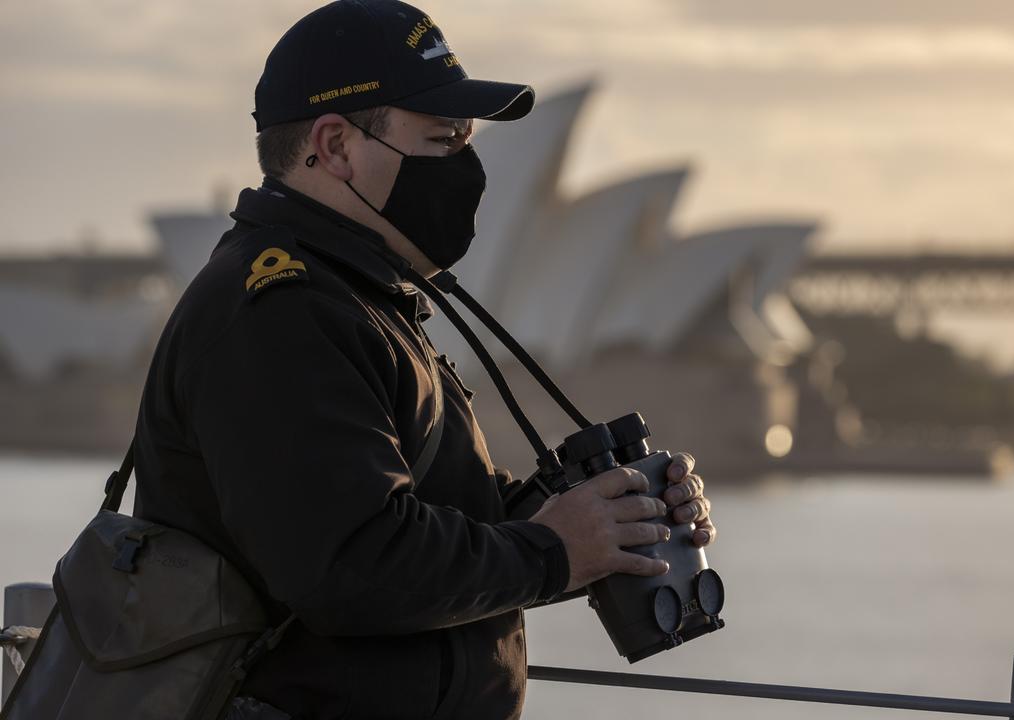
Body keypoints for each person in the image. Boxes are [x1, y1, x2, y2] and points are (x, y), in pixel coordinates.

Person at [131, 1, 717, 718]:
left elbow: (436, 522)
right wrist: (552, 550)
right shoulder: (279, 312)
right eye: (442, 139)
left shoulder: (361, 296)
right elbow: (353, 564)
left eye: (466, 139)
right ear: (336, 146)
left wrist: (604, 521)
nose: (465, 165)